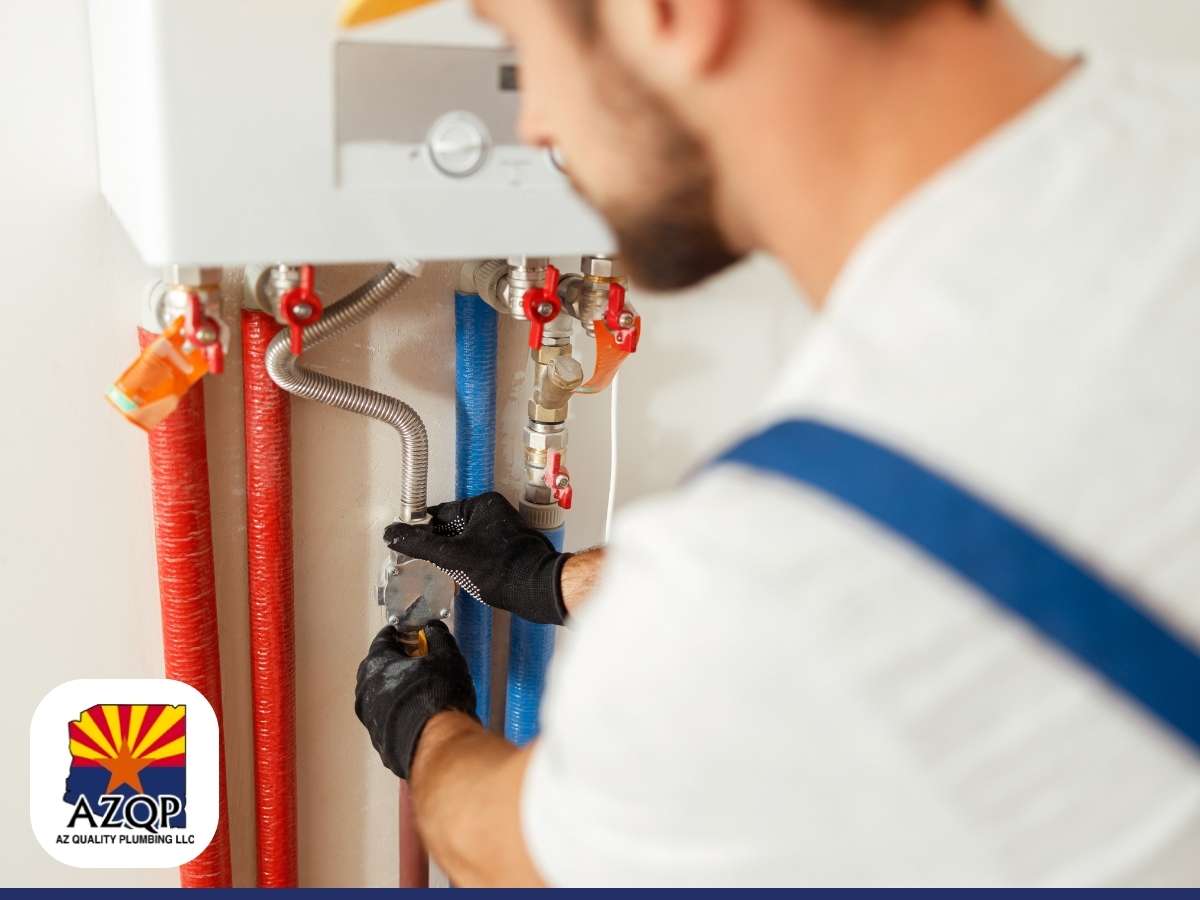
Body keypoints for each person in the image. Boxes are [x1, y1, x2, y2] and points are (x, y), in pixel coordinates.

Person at [352, 0, 1200, 886]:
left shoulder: (769, 588)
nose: (535, 124)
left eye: (521, 44)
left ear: (669, 14)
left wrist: (424, 727)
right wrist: (553, 582)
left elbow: (514, 854)